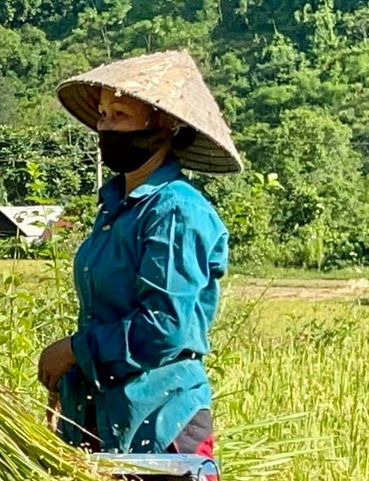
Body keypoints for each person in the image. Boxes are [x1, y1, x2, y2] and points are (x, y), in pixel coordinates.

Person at [37, 51, 241, 456]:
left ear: (163, 126)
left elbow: (165, 328)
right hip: (100, 416)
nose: (107, 126)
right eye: (103, 114)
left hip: (161, 421)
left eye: (121, 115)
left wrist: (76, 349)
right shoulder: (115, 208)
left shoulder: (176, 211)